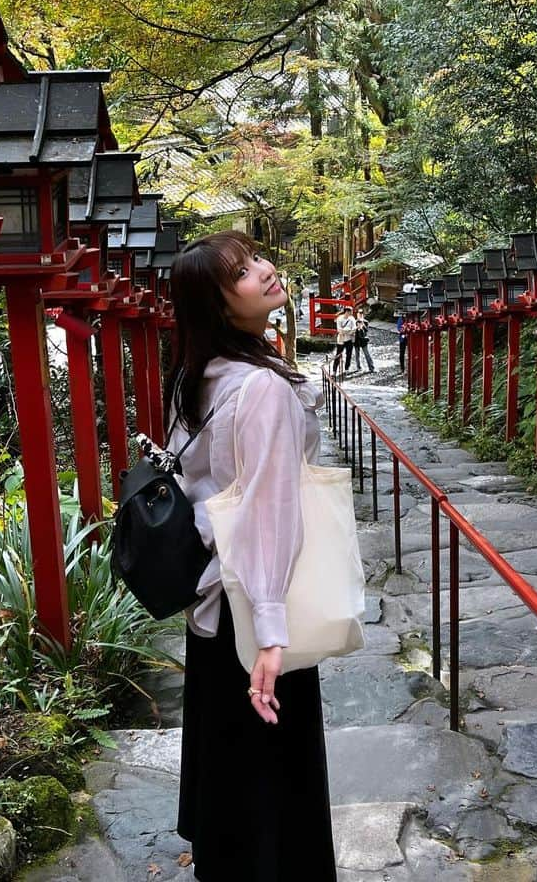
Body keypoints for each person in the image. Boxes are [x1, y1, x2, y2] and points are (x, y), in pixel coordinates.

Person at [164, 231, 336, 882]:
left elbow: (208, 482)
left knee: (233, 783)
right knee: (274, 794)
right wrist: (271, 633)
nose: (264, 270)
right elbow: (268, 511)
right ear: (217, 304)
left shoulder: (199, 376)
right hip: (257, 605)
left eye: (258, 258)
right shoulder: (257, 387)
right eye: (241, 272)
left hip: (213, 605)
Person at [332, 305, 356, 379]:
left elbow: (354, 328)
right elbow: (339, 329)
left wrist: (348, 331)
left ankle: (346, 369)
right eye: (350, 312)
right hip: (341, 339)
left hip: (349, 339)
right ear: (346, 312)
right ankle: (334, 371)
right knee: (338, 355)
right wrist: (348, 331)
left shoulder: (352, 318)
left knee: (349, 354)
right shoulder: (340, 318)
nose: (351, 313)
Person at [354, 306, 375, 373]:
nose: (360, 314)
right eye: (359, 313)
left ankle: (371, 367)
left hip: (363, 341)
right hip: (356, 340)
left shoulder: (365, 322)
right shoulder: (354, 321)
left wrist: (362, 325)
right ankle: (358, 367)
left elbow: (366, 331)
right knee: (357, 355)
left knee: (367, 354)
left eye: (361, 313)